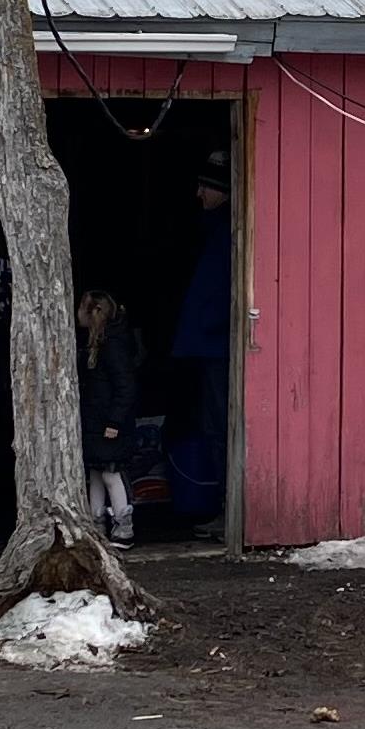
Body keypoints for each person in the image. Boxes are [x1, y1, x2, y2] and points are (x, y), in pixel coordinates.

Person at [167, 158, 235, 530]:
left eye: (204, 187)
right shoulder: (211, 231)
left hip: (214, 346)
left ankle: (230, 509)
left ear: (220, 191)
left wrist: (208, 325)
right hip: (203, 344)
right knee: (210, 426)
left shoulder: (226, 233)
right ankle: (223, 506)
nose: (198, 194)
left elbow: (228, 291)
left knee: (219, 426)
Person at [77, 288, 146, 542]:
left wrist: (115, 421)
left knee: (110, 472)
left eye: (81, 308)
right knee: (95, 472)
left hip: (109, 422)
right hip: (95, 420)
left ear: (93, 312)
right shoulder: (94, 344)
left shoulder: (112, 345)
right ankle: (96, 524)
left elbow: (125, 386)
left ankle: (123, 524)